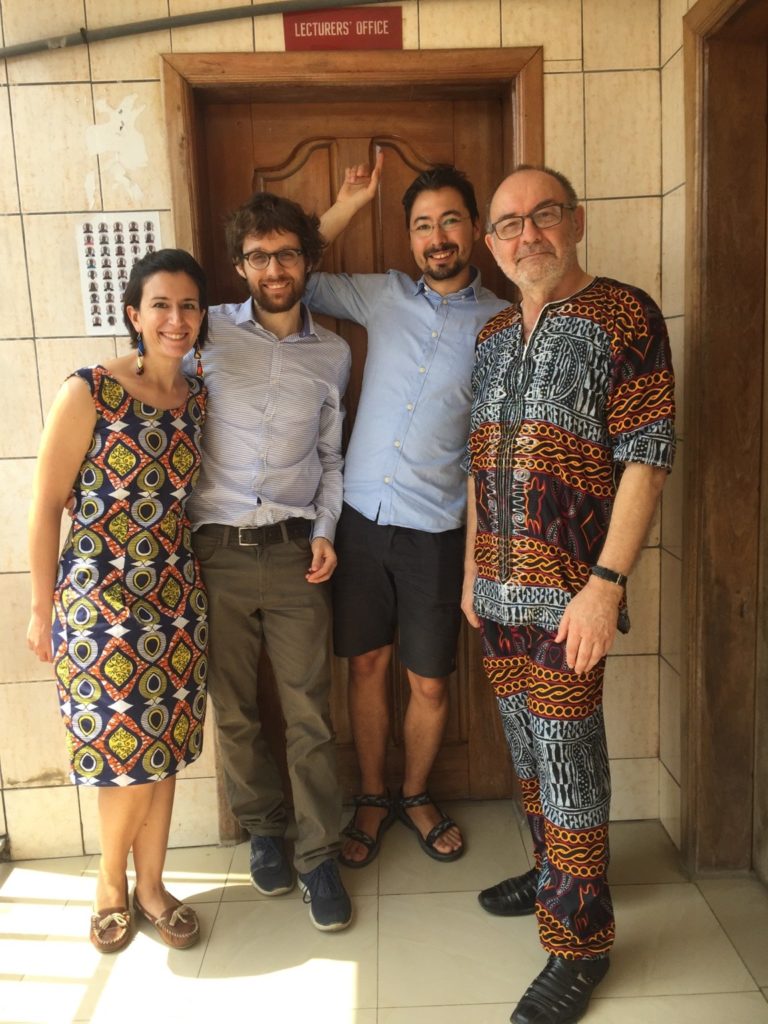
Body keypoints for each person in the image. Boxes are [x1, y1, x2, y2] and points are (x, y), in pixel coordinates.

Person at [462, 165, 676, 1024]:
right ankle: (553, 867)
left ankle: (577, 945)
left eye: (542, 215)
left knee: (571, 765)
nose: (526, 235)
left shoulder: (625, 315)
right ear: (492, 244)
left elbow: (648, 457)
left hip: (568, 595)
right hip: (498, 591)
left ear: (575, 221)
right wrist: (473, 570)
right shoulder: (487, 336)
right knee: (527, 752)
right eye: (508, 224)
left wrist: (605, 586)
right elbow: (479, 461)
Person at [308, 156, 508, 867]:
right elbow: (290, 273)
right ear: (411, 238)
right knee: (366, 667)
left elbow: (496, 452)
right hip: (360, 523)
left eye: (450, 220)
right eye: (423, 225)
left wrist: (480, 559)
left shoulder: (503, 324)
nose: (437, 236)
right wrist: (345, 206)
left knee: (429, 679)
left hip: (437, 533)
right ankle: (369, 795)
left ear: (476, 230)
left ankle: (417, 794)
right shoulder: (381, 296)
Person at [27, 249, 210, 954]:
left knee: (160, 748)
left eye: (188, 305)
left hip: (175, 595)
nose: (176, 318)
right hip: (100, 603)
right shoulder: (90, 391)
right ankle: (110, 885)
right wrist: (41, 609)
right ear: (134, 313)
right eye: (160, 305)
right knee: (125, 751)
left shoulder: (198, 396)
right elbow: (45, 507)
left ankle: (153, 886)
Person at [187, 192, 352, 931]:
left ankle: (320, 856)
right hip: (215, 551)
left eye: (287, 253)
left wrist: (325, 528)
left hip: (294, 554)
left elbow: (330, 456)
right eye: (259, 255)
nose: (274, 268)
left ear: (308, 263)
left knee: (310, 711)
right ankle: (262, 830)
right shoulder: (207, 334)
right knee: (236, 707)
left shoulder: (335, 351)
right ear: (239, 265)